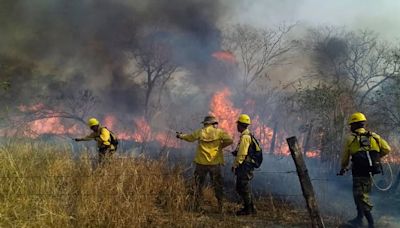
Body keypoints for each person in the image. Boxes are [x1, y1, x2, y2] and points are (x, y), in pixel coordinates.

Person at [339, 112, 391, 228]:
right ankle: (359, 219)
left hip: (359, 173)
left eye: (351, 125)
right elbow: (387, 149)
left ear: (355, 125)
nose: (350, 127)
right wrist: (376, 158)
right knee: (359, 195)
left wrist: (343, 167)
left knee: (361, 196)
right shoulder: (374, 136)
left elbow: (345, 157)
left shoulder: (350, 138)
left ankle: (371, 224)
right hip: (370, 172)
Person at [176, 115, 233, 212]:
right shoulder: (219, 132)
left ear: (206, 124)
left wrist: (180, 136)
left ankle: (196, 206)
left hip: (201, 164)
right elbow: (230, 140)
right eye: (215, 124)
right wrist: (221, 146)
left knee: (198, 185)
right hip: (214, 164)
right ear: (212, 124)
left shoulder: (200, 132)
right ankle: (220, 207)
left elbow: (190, 138)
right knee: (217, 185)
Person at [231, 114, 260, 216]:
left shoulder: (245, 137)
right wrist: (236, 152)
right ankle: (250, 208)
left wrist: (235, 165)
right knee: (241, 187)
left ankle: (249, 210)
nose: (237, 126)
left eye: (238, 124)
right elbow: (243, 151)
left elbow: (242, 154)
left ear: (241, 125)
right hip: (246, 165)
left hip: (245, 166)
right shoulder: (246, 135)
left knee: (243, 186)